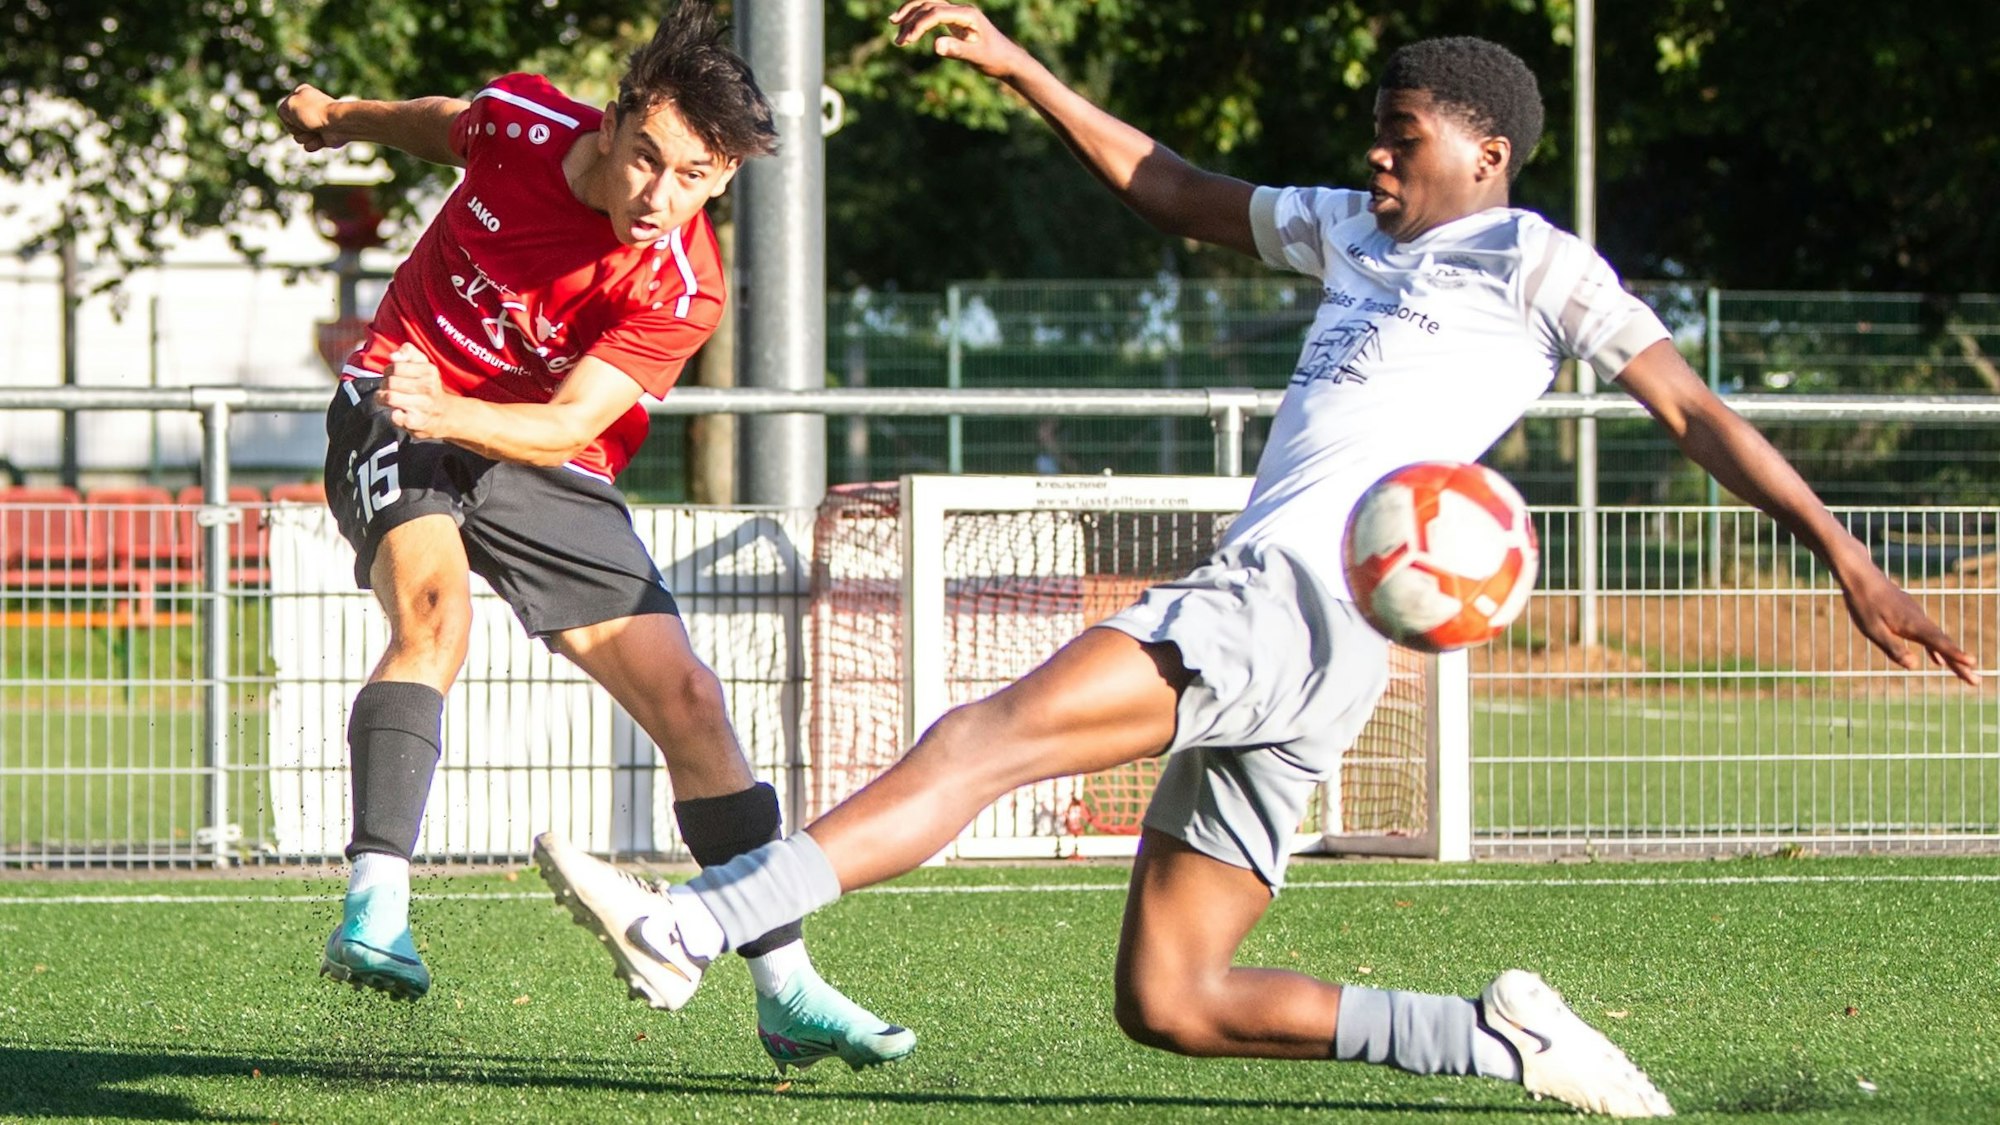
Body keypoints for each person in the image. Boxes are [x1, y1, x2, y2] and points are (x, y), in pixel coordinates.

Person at [533, 2, 1982, 1114]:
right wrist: (1027, 69)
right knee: (1174, 995)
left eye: (1402, 132)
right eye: (1377, 127)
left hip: (1294, 596)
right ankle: (1491, 1037)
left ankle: (694, 923)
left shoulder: (1534, 258)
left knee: (984, 737)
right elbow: (1170, 186)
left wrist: (1846, 559)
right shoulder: (1359, 231)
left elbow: (1695, 411)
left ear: (1484, 149)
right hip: (1319, 638)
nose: (1375, 150)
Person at [274, 1, 915, 1073]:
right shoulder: (523, 122)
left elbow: (571, 423)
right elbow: (441, 121)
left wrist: (453, 412)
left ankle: (786, 989)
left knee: (692, 702)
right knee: (436, 617)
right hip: (393, 402)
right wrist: (340, 116)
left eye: (698, 178)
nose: (661, 199)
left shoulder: (684, 284)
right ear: (610, 125)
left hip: (521, 443)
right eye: (647, 162)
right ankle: (373, 911)